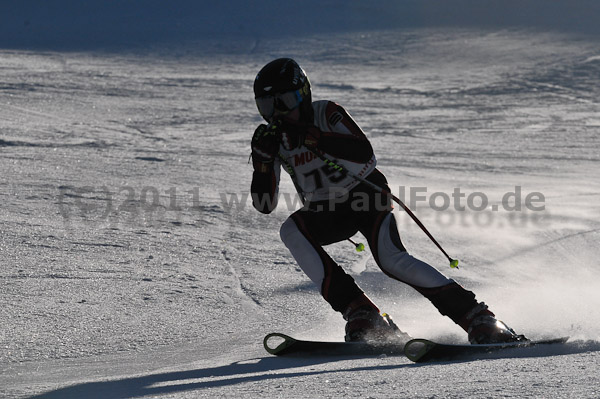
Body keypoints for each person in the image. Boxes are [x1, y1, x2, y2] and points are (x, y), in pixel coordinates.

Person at [250, 57, 526, 344]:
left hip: (365, 194)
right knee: (291, 230)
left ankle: (477, 316)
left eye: (285, 101)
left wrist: (317, 139)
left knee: (391, 259)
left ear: (304, 95)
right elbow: (264, 205)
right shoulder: (274, 139)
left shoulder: (326, 112)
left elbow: (364, 153)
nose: (279, 113)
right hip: (327, 209)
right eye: (268, 106)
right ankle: (362, 312)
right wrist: (263, 163)